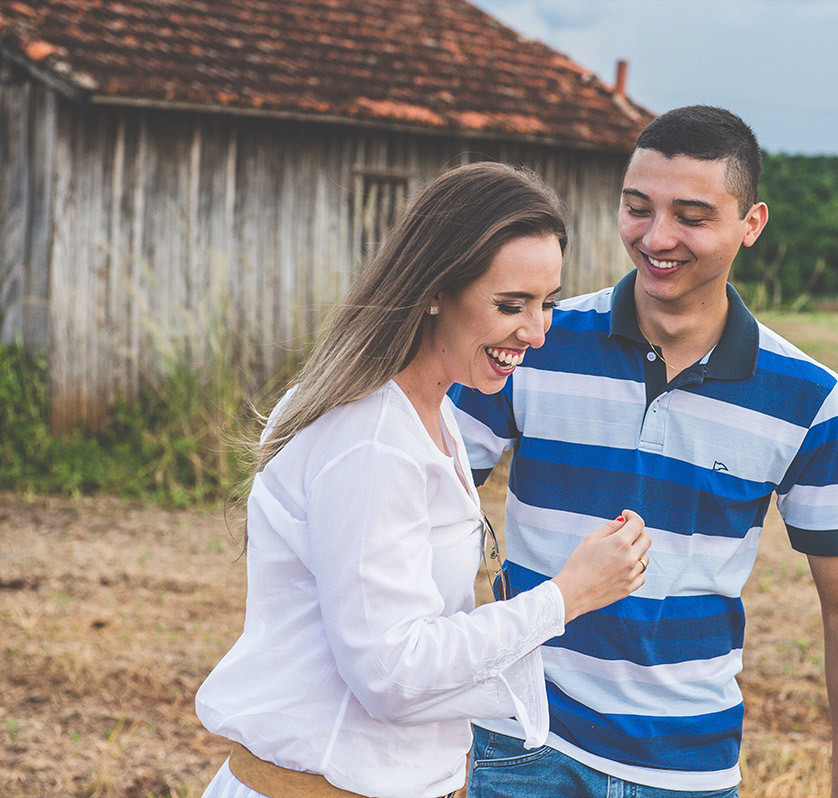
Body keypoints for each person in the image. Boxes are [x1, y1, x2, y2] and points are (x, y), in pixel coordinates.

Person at [450, 107, 838, 798]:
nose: (657, 238)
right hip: (522, 741)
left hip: (689, 770)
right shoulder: (535, 341)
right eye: (637, 208)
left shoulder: (806, 396)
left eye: (691, 215)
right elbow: (422, 498)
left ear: (752, 223)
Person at [194, 161, 652, 798]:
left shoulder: (432, 413)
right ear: (435, 288)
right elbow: (391, 671)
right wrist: (565, 596)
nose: (538, 331)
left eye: (546, 303)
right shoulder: (370, 439)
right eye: (510, 305)